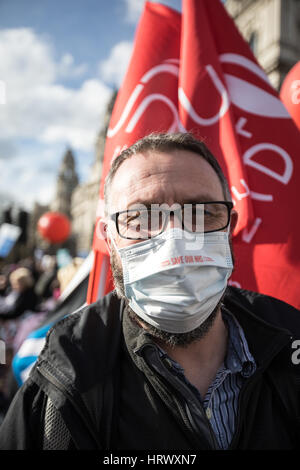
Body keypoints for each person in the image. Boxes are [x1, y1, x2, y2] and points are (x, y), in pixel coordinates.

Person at [0, 132, 299, 450]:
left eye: (202, 213)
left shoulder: (291, 341)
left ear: (230, 226)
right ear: (109, 238)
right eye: (139, 218)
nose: (174, 240)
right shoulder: (61, 382)